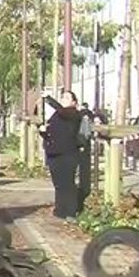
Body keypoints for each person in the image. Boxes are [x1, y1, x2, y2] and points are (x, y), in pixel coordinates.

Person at [42, 90, 84, 220]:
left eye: (67, 98)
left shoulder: (74, 114)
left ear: (74, 102)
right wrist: (43, 132)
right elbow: (52, 131)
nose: (63, 99)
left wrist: (49, 99)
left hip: (68, 153)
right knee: (58, 184)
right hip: (54, 153)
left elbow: (64, 112)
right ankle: (60, 210)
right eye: (62, 97)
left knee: (67, 183)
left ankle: (70, 211)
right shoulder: (57, 114)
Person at [76, 101, 95, 214]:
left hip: (79, 147)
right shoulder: (88, 116)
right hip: (84, 147)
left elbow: (85, 133)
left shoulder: (82, 117)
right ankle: (83, 197)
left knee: (80, 174)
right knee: (84, 174)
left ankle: (80, 201)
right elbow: (87, 134)